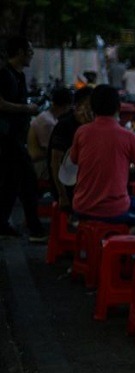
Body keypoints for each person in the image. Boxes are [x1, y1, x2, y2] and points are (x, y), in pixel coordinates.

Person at [71, 85, 135, 227]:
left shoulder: (81, 132)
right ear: (119, 107)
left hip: (81, 206)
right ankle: (127, 241)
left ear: (92, 107)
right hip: (114, 210)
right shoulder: (128, 136)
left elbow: (74, 160)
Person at [0, 36, 47, 241]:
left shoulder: (18, 75)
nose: (31, 55)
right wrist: (26, 108)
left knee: (11, 183)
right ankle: (35, 229)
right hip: (7, 138)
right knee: (28, 181)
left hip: (15, 137)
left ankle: (2, 224)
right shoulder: (5, 75)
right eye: (29, 51)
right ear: (19, 52)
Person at [47, 86, 94, 210]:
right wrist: (62, 194)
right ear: (78, 106)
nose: (92, 111)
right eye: (89, 106)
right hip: (65, 186)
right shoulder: (64, 126)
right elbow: (55, 163)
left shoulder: (91, 126)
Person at [27, 86, 73, 184]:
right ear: (66, 106)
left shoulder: (48, 117)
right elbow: (52, 149)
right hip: (41, 166)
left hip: (39, 163)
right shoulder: (48, 123)